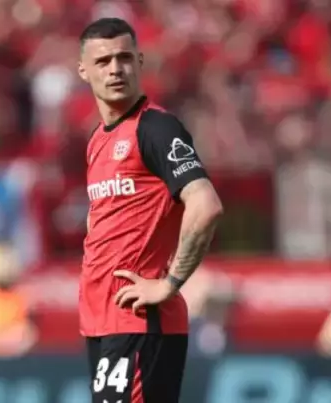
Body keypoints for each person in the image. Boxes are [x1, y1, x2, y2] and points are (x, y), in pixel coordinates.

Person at [78, 18, 223, 403]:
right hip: (104, 319)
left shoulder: (156, 129)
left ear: (139, 61)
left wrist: (170, 283)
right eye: (103, 61)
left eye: (124, 58)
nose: (115, 69)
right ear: (83, 70)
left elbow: (205, 204)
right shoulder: (97, 140)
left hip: (141, 320)